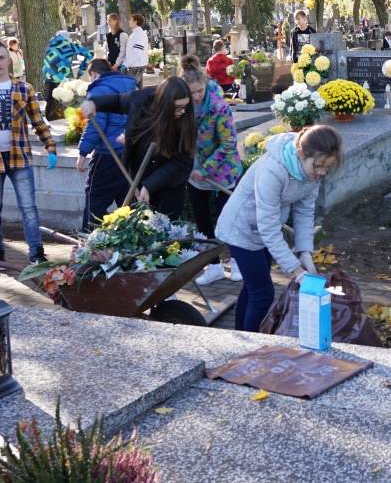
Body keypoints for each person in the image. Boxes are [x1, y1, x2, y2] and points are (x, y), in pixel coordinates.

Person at [215, 126, 342, 331]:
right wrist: (296, 271)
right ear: (301, 154)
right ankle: (252, 350)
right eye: (318, 166)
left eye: (327, 167)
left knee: (253, 287)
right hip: (241, 230)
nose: (321, 172)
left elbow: (304, 213)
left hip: (264, 231)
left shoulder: (313, 175)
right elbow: (269, 229)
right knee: (263, 294)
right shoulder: (272, 170)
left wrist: (305, 253)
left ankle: (241, 334)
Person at [0, 40, 57, 264]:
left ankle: (36, 252)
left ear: (9, 59)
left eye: (1, 57)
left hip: (19, 156)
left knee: (28, 207)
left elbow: (38, 121)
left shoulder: (24, 89)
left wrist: (50, 146)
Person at [80, 75, 196, 218]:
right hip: (138, 177)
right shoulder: (142, 101)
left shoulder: (185, 121)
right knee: (139, 226)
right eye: (178, 108)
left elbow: (182, 162)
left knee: (165, 229)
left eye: (185, 107)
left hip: (169, 185)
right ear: (164, 104)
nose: (183, 111)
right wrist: (94, 104)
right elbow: (118, 102)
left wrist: (150, 185)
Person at [173, 56, 243, 285]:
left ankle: (237, 262)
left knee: (229, 220)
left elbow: (228, 144)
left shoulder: (218, 107)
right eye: (191, 93)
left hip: (223, 170)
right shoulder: (180, 105)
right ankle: (212, 266)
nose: (196, 97)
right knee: (202, 220)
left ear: (205, 85)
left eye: (199, 91)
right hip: (195, 171)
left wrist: (207, 168)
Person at [76, 58, 137, 231]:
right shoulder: (130, 85)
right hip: (129, 150)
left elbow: (97, 124)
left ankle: (91, 240)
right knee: (127, 201)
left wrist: (83, 152)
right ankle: (132, 240)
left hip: (107, 154)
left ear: (93, 74)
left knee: (95, 199)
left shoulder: (99, 90)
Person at [41, 30, 92, 120]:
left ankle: (49, 119)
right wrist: (81, 70)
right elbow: (89, 54)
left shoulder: (49, 45)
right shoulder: (71, 45)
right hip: (63, 76)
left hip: (48, 76)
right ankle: (69, 120)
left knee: (49, 101)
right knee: (67, 100)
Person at [120, 14, 150, 79]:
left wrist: (126, 64)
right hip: (134, 66)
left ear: (135, 22)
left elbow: (137, 52)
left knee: (131, 88)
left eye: (130, 20)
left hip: (136, 67)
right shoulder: (135, 34)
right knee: (136, 88)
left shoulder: (139, 34)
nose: (129, 21)